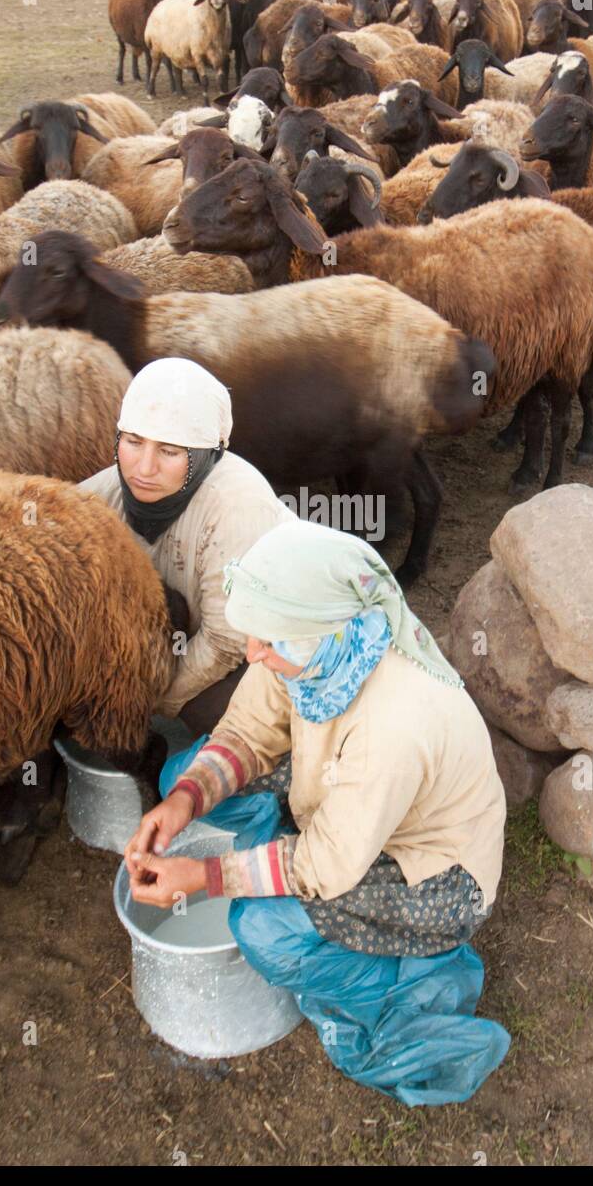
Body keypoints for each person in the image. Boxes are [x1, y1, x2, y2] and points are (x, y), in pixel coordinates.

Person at [126, 518, 506, 959]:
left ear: (320, 635)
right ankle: (278, 848)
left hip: (433, 866)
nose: (252, 653)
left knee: (265, 928)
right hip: (360, 803)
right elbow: (250, 730)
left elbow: (328, 863)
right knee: (181, 776)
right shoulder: (316, 645)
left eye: (266, 640)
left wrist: (205, 877)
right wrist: (185, 801)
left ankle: (398, 984)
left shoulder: (395, 721)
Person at [78, 358, 291, 732]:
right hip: (184, 634)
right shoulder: (104, 494)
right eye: (133, 442)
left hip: (262, 646)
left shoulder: (237, 507)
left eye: (170, 451)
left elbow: (227, 640)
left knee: (212, 712)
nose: (143, 469)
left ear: (207, 455)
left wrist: (145, 701)